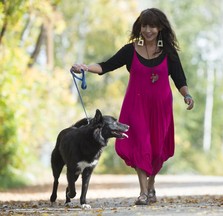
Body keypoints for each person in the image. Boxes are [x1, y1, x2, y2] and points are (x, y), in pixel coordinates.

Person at [71, 8, 194, 205]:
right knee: (141, 145)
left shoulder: (168, 52)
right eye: (144, 25)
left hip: (161, 109)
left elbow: (180, 78)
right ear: (139, 26)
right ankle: (143, 192)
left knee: (156, 149)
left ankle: (151, 185)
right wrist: (85, 67)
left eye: (152, 26)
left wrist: (187, 95)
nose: (148, 30)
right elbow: (106, 66)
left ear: (160, 27)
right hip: (135, 107)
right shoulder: (131, 50)